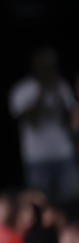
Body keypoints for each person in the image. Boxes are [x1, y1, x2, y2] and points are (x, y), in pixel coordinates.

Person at [9, 48, 79, 203]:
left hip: (63, 152)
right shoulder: (24, 88)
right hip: (36, 156)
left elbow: (71, 118)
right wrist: (42, 92)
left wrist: (58, 95)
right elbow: (28, 119)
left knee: (71, 199)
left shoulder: (61, 86)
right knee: (40, 201)